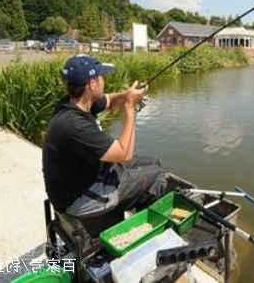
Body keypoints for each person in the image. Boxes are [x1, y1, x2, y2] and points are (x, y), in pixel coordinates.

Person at [42, 54, 170, 233]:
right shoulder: (74, 124)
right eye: (101, 77)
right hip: (81, 200)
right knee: (157, 175)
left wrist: (126, 96)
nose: (104, 80)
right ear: (92, 84)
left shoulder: (76, 103)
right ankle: (144, 228)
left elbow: (109, 100)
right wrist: (130, 108)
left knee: (153, 162)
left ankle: (133, 205)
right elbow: (124, 153)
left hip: (85, 178)